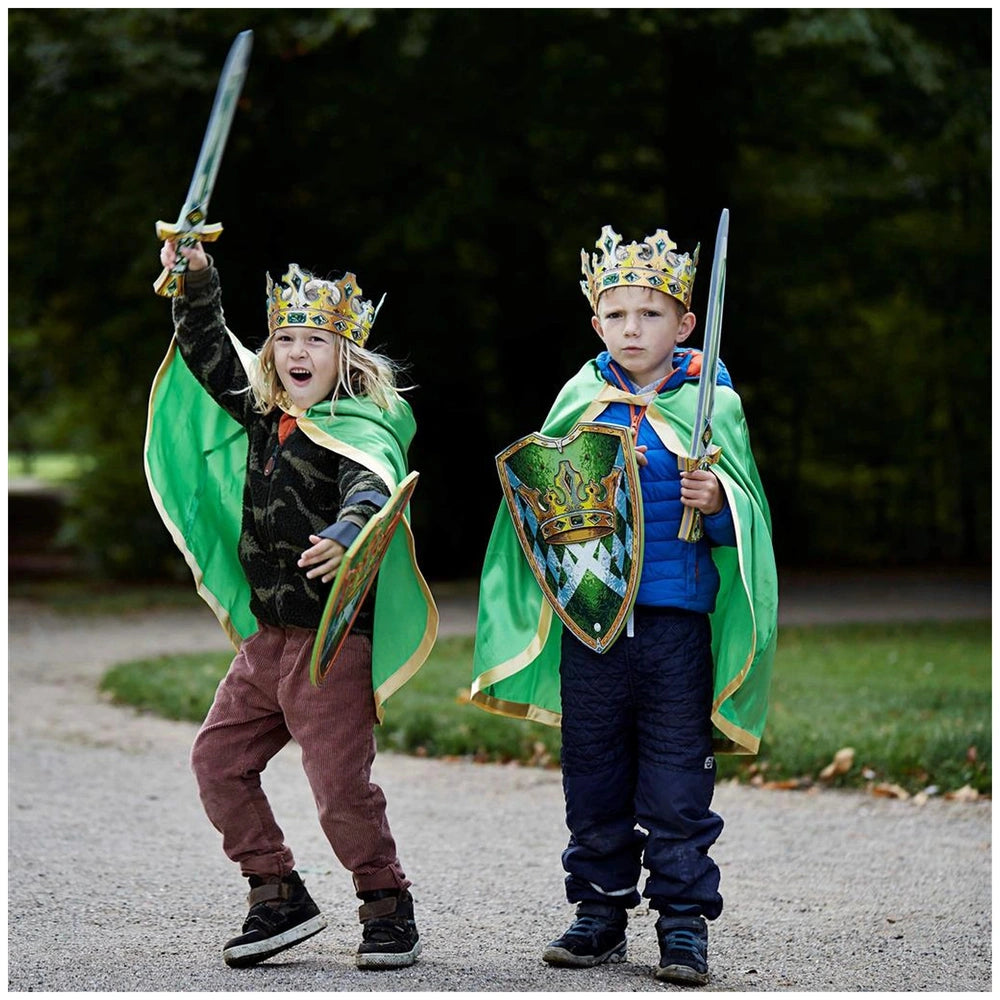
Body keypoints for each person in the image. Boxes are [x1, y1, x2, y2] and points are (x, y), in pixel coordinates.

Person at [470, 225, 778, 985]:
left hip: (676, 626)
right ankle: (600, 911)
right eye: (617, 315)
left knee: (678, 781)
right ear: (596, 323)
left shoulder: (715, 409)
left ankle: (681, 924)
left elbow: (750, 524)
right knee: (594, 773)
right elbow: (539, 502)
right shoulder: (581, 401)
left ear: (685, 324)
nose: (632, 330)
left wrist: (716, 503)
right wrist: (596, 471)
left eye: (650, 315)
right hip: (596, 628)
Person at [145, 240, 438, 971]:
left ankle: (385, 902)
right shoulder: (260, 416)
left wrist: (349, 530)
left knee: (340, 787)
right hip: (267, 643)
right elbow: (209, 350)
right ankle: (275, 890)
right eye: (284, 338)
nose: (297, 352)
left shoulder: (355, 431)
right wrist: (197, 279)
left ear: (347, 355)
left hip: (330, 647)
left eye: (316, 340)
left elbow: (373, 487)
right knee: (218, 760)